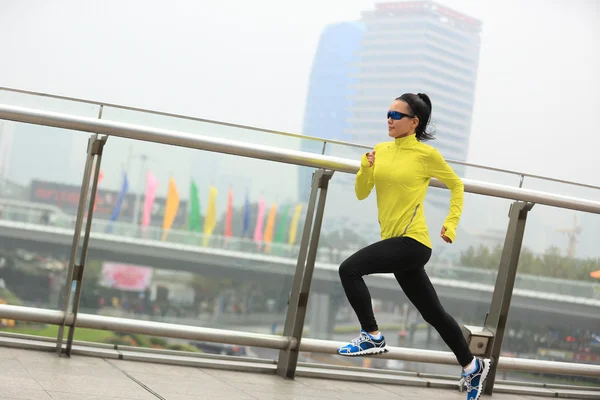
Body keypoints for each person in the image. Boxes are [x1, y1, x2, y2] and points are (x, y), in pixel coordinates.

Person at [337, 93, 491, 400]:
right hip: (394, 243)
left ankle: (372, 335)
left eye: (396, 115)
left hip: (413, 242)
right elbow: (361, 193)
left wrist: (451, 223)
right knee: (433, 313)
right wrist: (365, 168)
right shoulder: (380, 151)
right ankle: (473, 365)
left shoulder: (425, 155)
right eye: (388, 113)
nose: (389, 120)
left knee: (349, 269)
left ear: (414, 122)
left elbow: (456, 185)